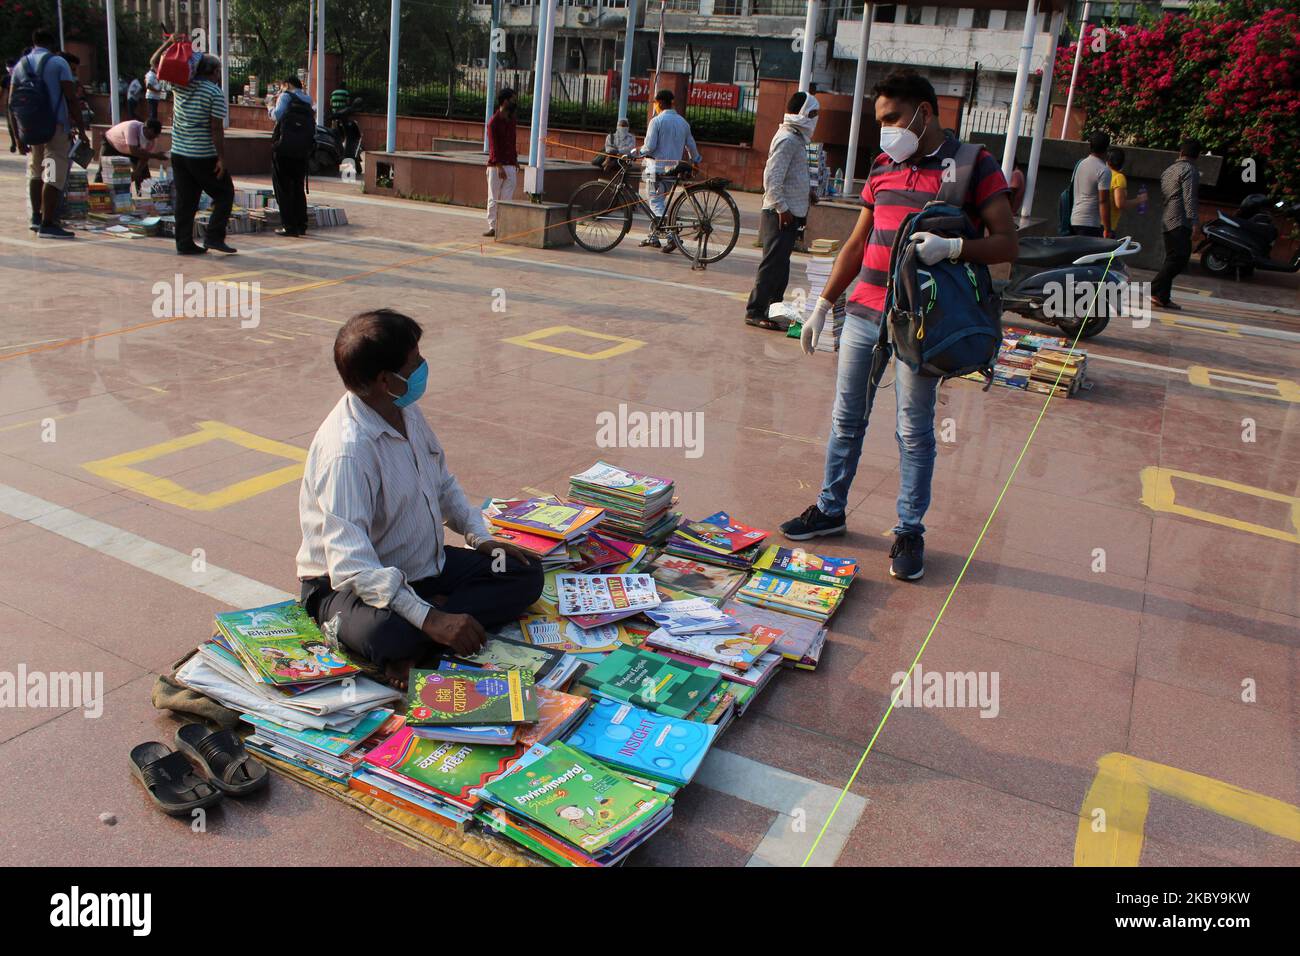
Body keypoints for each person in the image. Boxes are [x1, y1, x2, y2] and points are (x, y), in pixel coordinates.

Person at [782, 70, 1017, 581]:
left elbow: (1007, 242)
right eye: (880, 120)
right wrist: (823, 304)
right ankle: (830, 508)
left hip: (921, 323)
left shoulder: (972, 165)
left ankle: (909, 530)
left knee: (913, 431)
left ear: (923, 113)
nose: (886, 130)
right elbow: (857, 241)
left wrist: (954, 247)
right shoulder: (884, 166)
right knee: (847, 419)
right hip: (865, 312)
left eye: (892, 118)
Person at [296, 309, 544, 687]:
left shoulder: (404, 409)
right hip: (347, 588)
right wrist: (431, 618)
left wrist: (480, 537)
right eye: (416, 363)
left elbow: (443, 482)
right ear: (386, 381)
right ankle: (427, 625)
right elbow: (354, 567)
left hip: (423, 565)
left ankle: (423, 632)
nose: (424, 366)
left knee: (523, 572)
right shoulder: (347, 451)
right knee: (386, 634)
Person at [744, 90, 821, 331]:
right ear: (804, 114)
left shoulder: (796, 138)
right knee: (772, 265)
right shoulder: (787, 138)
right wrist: (782, 208)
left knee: (780, 265)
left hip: (789, 211)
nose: (816, 118)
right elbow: (772, 178)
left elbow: (790, 175)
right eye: (814, 113)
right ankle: (755, 311)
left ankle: (772, 309)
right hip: (780, 213)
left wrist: (806, 192)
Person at [151, 37, 235, 255]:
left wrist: (169, 43)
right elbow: (216, 129)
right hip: (202, 154)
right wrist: (222, 158)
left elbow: (154, 63)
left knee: (186, 201)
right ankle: (214, 237)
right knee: (225, 194)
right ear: (215, 72)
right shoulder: (215, 93)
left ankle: (184, 243)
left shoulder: (179, 85)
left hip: (179, 153)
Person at [12, 29, 82, 239]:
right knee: (51, 171)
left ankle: (35, 216)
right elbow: (71, 98)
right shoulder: (59, 63)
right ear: (52, 45)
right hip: (55, 127)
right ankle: (48, 222)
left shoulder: (20, 65)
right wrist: (81, 127)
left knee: (35, 170)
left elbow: (11, 104)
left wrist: (17, 136)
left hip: (31, 128)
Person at [631, 89, 701, 252]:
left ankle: (672, 236)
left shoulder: (656, 121)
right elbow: (691, 146)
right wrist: (696, 161)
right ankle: (653, 237)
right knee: (659, 204)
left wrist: (633, 153)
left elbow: (649, 147)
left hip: (656, 170)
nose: (654, 106)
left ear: (660, 103)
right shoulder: (683, 122)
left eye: (655, 103)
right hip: (673, 172)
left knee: (655, 203)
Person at [1152, 138, 1201, 311]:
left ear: (1180, 153)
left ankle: (1162, 297)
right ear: (1197, 156)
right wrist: (1194, 221)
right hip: (1180, 220)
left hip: (1167, 217)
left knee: (1172, 258)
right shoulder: (1190, 170)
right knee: (1180, 258)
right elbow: (1189, 198)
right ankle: (1154, 287)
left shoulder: (1169, 170)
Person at [269, 75, 313, 237]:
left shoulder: (285, 96)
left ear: (286, 84)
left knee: (283, 188)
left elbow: (277, 116)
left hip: (284, 148)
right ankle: (302, 224)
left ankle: (289, 226)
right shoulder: (307, 99)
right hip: (302, 149)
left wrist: (269, 107)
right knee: (298, 186)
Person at [483, 87, 518, 238]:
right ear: (505, 101)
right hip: (496, 166)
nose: (515, 102)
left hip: (510, 163)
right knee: (494, 197)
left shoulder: (511, 121)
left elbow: (512, 142)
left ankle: (504, 225)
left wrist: (515, 161)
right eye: (513, 100)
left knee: (507, 198)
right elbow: (493, 146)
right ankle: (493, 226)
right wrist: (499, 166)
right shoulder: (493, 122)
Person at [100, 117, 166, 193]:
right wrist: (156, 156)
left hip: (132, 149)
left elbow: (145, 157)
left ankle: (143, 197)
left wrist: (137, 172)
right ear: (145, 129)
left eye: (155, 136)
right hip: (111, 143)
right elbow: (134, 151)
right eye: (151, 135)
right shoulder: (132, 128)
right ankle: (96, 193)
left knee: (144, 175)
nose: (152, 138)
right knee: (103, 170)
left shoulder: (153, 140)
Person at [1069, 131, 1112, 237]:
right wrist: (1107, 229)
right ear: (1107, 148)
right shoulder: (1103, 170)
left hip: (1074, 219)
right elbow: (1103, 201)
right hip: (1090, 223)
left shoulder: (1081, 164)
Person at [1104, 147, 1142, 238]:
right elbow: (1120, 204)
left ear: (1107, 161)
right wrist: (1139, 200)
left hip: (1093, 222)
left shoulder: (1101, 173)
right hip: (1108, 226)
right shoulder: (1118, 177)